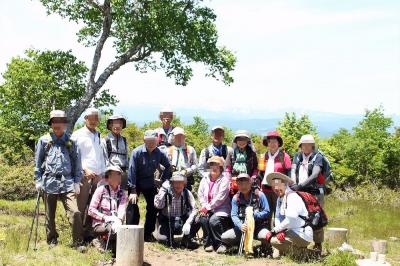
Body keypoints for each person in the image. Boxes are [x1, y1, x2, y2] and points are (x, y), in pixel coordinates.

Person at [34, 110, 85, 251]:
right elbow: (38, 162)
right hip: (49, 181)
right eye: (54, 121)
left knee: (75, 212)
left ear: (64, 124)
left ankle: (77, 242)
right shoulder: (44, 141)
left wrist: (76, 182)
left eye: (60, 121)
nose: (57, 124)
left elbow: (77, 163)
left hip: (68, 182)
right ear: (51, 124)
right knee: (50, 215)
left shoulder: (71, 142)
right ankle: (52, 240)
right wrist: (38, 180)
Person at [127, 129, 172, 242]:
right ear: (144, 140)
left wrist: (163, 181)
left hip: (149, 182)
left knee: (153, 207)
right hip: (135, 182)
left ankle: (147, 233)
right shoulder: (136, 152)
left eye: (153, 140)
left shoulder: (160, 153)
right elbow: (132, 171)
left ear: (157, 141)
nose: (151, 143)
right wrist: (132, 190)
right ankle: (131, 232)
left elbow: (168, 166)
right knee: (132, 206)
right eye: (149, 140)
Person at [71, 107, 106, 238]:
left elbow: (99, 156)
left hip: (97, 177)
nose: (93, 121)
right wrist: (85, 169)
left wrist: (102, 174)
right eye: (90, 118)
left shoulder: (98, 134)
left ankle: (89, 234)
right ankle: (77, 237)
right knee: (80, 206)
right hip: (83, 176)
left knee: (94, 206)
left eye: (96, 118)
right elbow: (73, 156)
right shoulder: (77, 135)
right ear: (85, 119)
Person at [265, 172, 313, 258]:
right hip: (290, 231)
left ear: (285, 184)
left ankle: (306, 254)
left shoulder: (292, 197)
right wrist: (279, 231)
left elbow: (290, 220)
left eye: (278, 185)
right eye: (273, 187)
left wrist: (274, 231)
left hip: (301, 232)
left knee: (273, 241)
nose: (276, 189)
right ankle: (296, 250)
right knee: (276, 249)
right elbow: (277, 217)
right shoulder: (280, 198)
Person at [290, 134, 324, 253]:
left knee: (316, 217)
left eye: (308, 144)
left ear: (312, 146)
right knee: (301, 216)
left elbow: (315, 174)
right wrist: (294, 184)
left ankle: (318, 245)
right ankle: (302, 243)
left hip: (314, 192)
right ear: (301, 146)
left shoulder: (318, 157)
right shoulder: (297, 156)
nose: (306, 147)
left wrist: (300, 185)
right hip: (300, 191)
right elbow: (293, 170)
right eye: (303, 144)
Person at [221, 173, 270, 252]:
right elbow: (234, 215)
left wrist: (255, 215)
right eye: (240, 184)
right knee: (225, 237)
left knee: (266, 236)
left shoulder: (259, 194)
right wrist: (240, 225)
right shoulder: (235, 198)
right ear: (237, 185)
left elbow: (267, 211)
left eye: (246, 183)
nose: (243, 186)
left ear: (250, 183)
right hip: (243, 227)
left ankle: (265, 246)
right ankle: (240, 243)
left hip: (258, 227)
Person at [194, 156, 232, 254]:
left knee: (213, 220)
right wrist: (204, 206)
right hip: (207, 207)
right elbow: (200, 194)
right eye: (212, 165)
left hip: (221, 209)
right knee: (203, 218)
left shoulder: (225, 180)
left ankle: (220, 244)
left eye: (217, 165)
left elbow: (220, 198)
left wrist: (207, 208)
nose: (214, 167)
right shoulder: (205, 178)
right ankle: (208, 243)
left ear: (221, 167)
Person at [88, 165, 127, 254]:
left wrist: (119, 220)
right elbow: (91, 210)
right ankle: (99, 240)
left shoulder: (122, 193)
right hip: (100, 224)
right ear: (107, 178)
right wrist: (105, 217)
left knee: (122, 232)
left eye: (119, 174)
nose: (118, 177)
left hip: (116, 222)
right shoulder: (100, 190)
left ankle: (110, 245)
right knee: (110, 229)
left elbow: (122, 208)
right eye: (115, 175)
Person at [154, 172, 198, 249]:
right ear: (172, 183)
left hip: (182, 220)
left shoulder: (187, 193)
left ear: (184, 183)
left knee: (197, 220)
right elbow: (158, 206)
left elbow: (195, 209)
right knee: (163, 240)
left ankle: (186, 239)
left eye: (180, 182)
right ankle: (169, 238)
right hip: (167, 220)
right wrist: (163, 191)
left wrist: (188, 222)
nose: (178, 185)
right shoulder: (166, 191)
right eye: (176, 182)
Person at [258, 130, 291, 229]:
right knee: (266, 213)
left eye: (274, 141)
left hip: (279, 189)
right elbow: (260, 173)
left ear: (278, 143)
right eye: (270, 141)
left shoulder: (284, 156)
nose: (272, 144)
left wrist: (287, 189)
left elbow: (289, 173)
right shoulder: (263, 156)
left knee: (279, 213)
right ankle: (266, 238)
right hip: (265, 189)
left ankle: (279, 237)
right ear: (267, 143)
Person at [165, 127, 197, 191]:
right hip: (172, 180)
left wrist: (187, 171)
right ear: (173, 137)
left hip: (187, 180)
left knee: (186, 199)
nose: (179, 138)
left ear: (184, 137)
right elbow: (163, 166)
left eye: (181, 136)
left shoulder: (190, 149)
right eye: (177, 136)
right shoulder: (168, 150)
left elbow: (195, 165)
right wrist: (170, 168)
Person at [102, 114, 129, 190]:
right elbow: (104, 160)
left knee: (121, 198)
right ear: (110, 125)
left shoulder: (124, 140)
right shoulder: (105, 141)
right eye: (114, 123)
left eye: (120, 124)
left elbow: (126, 158)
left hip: (123, 173)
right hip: (111, 173)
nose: (117, 126)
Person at [229, 130, 258, 196]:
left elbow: (255, 168)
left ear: (247, 141)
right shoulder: (231, 153)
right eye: (239, 139)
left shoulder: (252, 153)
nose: (241, 142)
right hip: (234, 184)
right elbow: (228, 168)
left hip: (248, 183)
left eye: (244, 139)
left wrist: (253, 178)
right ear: (236, 141)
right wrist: (229, 180)